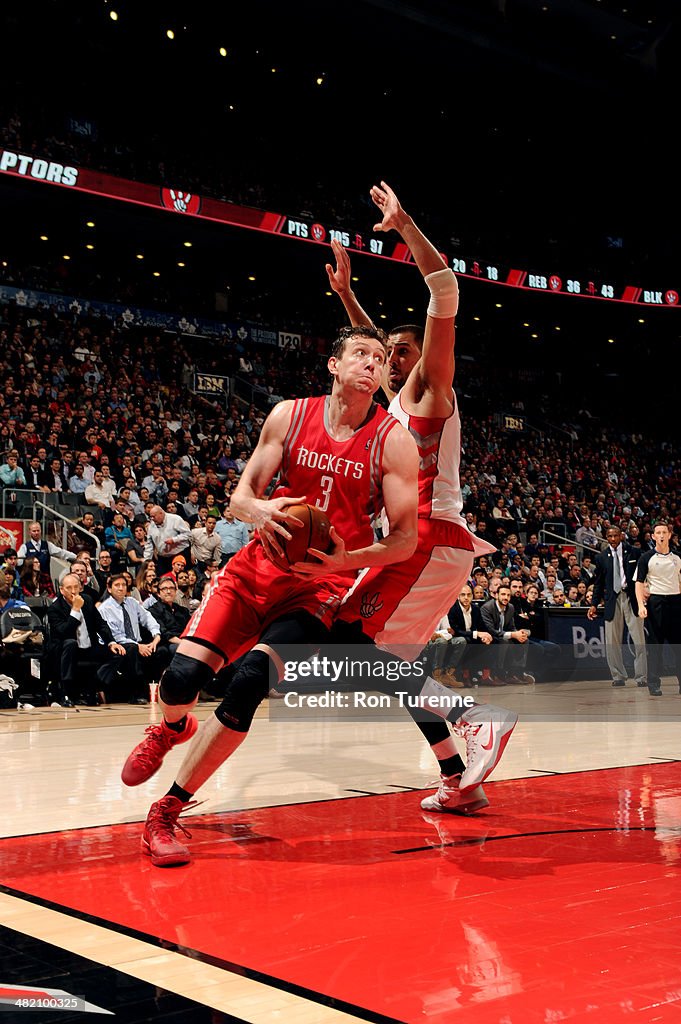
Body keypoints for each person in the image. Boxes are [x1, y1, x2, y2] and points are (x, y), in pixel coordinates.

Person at [125, 321, 420, 865]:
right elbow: (240, 496)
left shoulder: (393, 441)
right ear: (334, 364)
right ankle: (172, 726)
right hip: (254, 570)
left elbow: (404, 541)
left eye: (380, 358)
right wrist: (257, 510)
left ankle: (165, 811)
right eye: (360, 353)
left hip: (317, 587)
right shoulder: (289, 413)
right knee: (182, 678)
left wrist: (347, 561)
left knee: (249, 683)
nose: (372, 363)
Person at [46, 573, 126, 706]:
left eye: (76, 587)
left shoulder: (87, 600)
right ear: (61, 590)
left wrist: (111, 642)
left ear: (80, 588)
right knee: (70, 644)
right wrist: (75, 609)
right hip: (64, 650)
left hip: (88, 647)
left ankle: (94, 686)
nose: (73, 591)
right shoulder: (55, 608)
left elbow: (101, 624)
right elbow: (65, 633)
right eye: (69, 588)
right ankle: (66, 693)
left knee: (118, 654)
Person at [588, 525, 646, 689]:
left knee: (639, 640)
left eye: (615, 536)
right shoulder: (601, 557)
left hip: (631, 598)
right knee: (612, 642)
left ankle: (641, 676)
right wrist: (593, 604)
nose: (612, 539)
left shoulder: (634, 552)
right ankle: (618, 675)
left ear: (621, 535)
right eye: (609, 536)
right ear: (606, 537)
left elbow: (642, 576)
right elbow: (598, 584)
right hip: (612, 601)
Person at [98, 574, 167, 703]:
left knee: (161, 650)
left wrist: (156, 636)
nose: (121, 588)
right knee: (132, 649)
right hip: (116, 645)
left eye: (123, 585)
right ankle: (136, 694)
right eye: (117, 585)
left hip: (136, 643)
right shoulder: (105, 608)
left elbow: (147, 618)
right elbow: (115, 635)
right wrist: (138, 646)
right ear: (109, 589)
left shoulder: (132, 602)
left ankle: (159, 691)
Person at [634, 521, 681, 696]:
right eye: (658, 533)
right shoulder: (646, 558)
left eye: (664, 532)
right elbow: (638, 583)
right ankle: (653, 683)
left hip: (676, 602)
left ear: (669, 535)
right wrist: (641, 605)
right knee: (654, 647)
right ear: (653, 536)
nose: (661, 535)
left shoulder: (678, 558)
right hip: (656, 603)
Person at [480, 581, 534, 685]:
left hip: (504, 635)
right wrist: (513, 634)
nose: (506, 597)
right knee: (504, 641)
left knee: (524, 640)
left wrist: (518, 634)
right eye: (503, 594)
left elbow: (511, 627)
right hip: (490, 637)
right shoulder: (487, 608)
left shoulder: (511, 607)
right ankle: (497, 674)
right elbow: (491, 630)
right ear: (496, 595)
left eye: (508, 595)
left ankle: (514, 674)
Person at [143, 506, 192, 576]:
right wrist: (147, 561)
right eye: (151, 517)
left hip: (180, 554)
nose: (152, 519)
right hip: (163, 558)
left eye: (154, 516)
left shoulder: (175, 519)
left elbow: (188, 534)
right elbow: (149, 545)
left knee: (182, 578)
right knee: (162, 579)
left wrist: (174, 540)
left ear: (161, 513)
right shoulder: (151, 526)